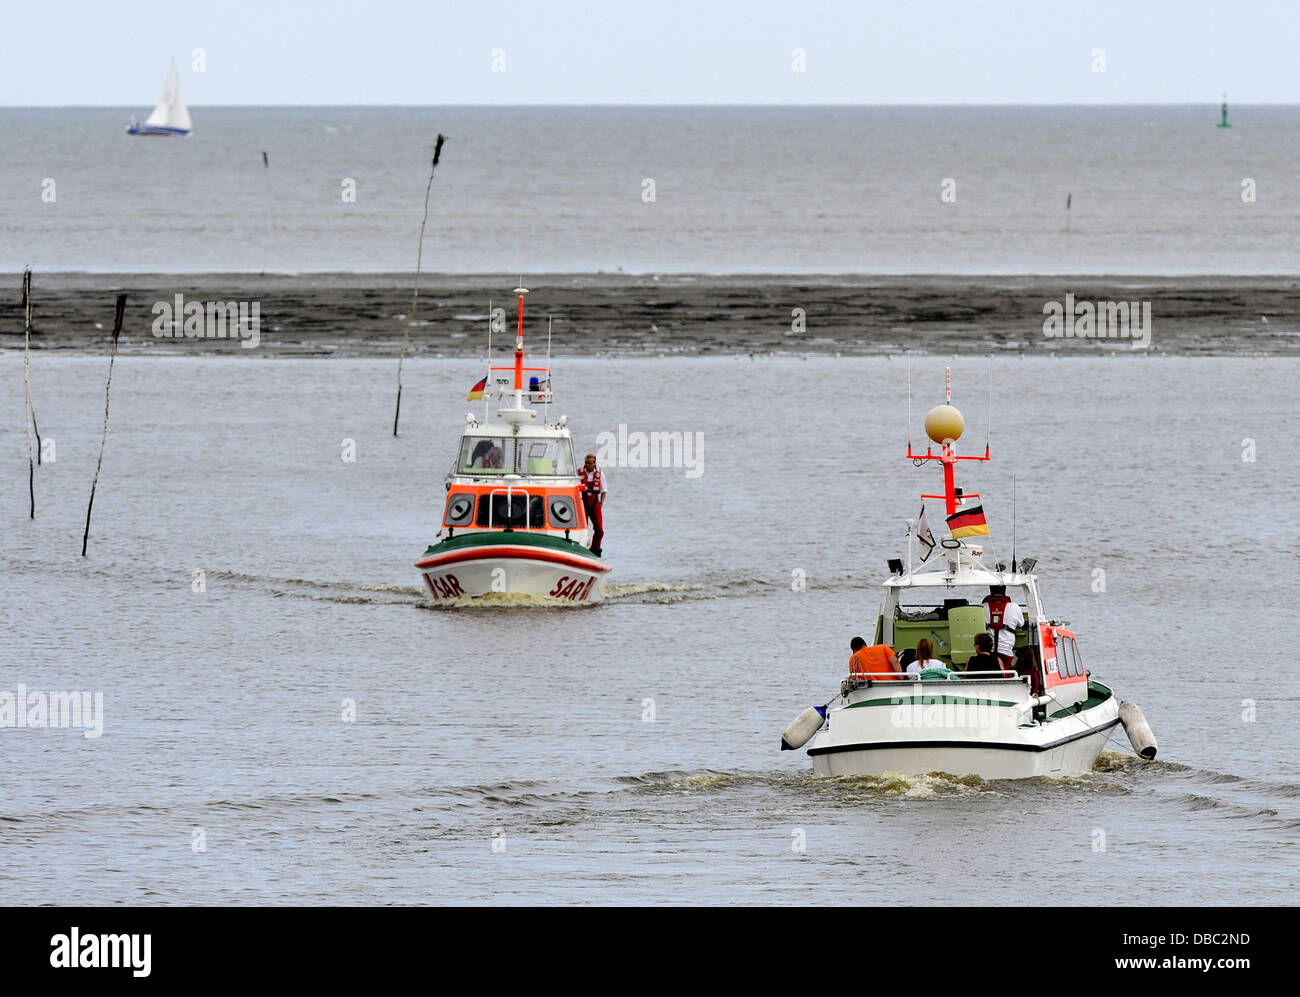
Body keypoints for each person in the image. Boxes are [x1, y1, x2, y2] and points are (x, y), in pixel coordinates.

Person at [983, 585, 1024, 668]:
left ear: (990, 591)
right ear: (1004, 591)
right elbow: (1021, 624)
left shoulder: (983, 607)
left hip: (987, 653)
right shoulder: (1015, 607)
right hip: (1006, 652)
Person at [578, 453, 607, 556]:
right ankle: (581, 547)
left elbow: (604, 491)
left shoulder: (600, 474)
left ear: (594, 463)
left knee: (599, 530)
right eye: (586, 463)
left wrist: (601, 503)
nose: (587, 465)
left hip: (595, 504)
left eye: (589, 463)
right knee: (583, 528)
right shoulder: (579, 473)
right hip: (582, 504)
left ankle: (595, 549)